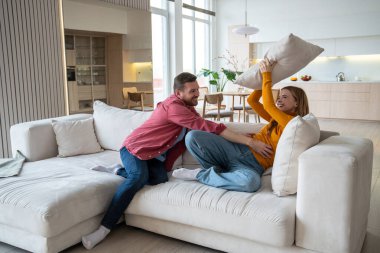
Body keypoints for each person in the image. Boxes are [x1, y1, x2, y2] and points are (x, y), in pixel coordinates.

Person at [82, 72, 262, 249]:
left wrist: (236, 137)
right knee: (137, 178)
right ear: (179, 93)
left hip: (153, 157)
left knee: (159, 179)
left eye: (197, 89)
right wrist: (248, 141)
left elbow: (207, 130)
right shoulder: (174, 107)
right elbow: (209, 126)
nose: (197, 93)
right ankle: (104, 228)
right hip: (135, 149)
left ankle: (117, 170)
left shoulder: (188, 109)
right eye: (192, 91)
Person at [173, 58, 309, 193]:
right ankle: (217, 172)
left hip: (253, 166)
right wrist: (268, 78)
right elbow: (252, 100)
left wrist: (268, 75)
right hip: (238, 149)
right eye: (279, 96)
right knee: (192, 136)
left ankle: (201, 175)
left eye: (284, 97)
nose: (279, 99)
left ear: (297, 103)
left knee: (250, 183)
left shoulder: (292, 123)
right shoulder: (275, 119)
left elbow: (268, 105)